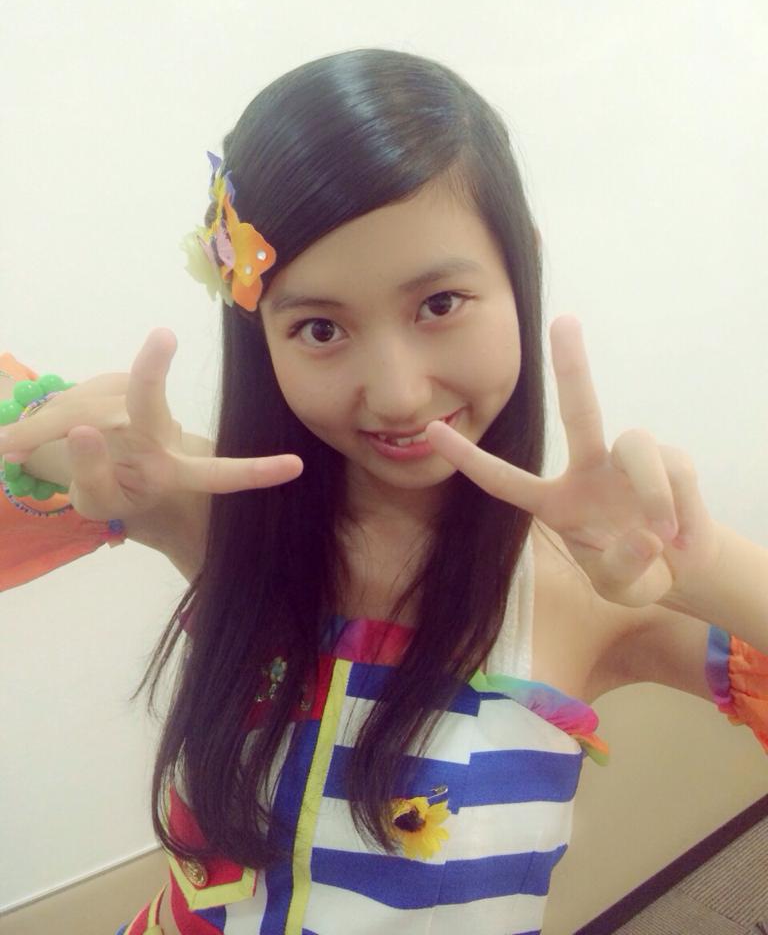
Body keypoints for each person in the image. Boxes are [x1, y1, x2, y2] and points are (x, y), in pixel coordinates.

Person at [1, 48, 766, 935]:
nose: (398, 395)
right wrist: (53, 446)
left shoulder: (595, 585)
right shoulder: (223, 511)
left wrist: (702, 564)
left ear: (520, 271)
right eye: (320, 328)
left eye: (439, 304)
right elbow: (43, 452)